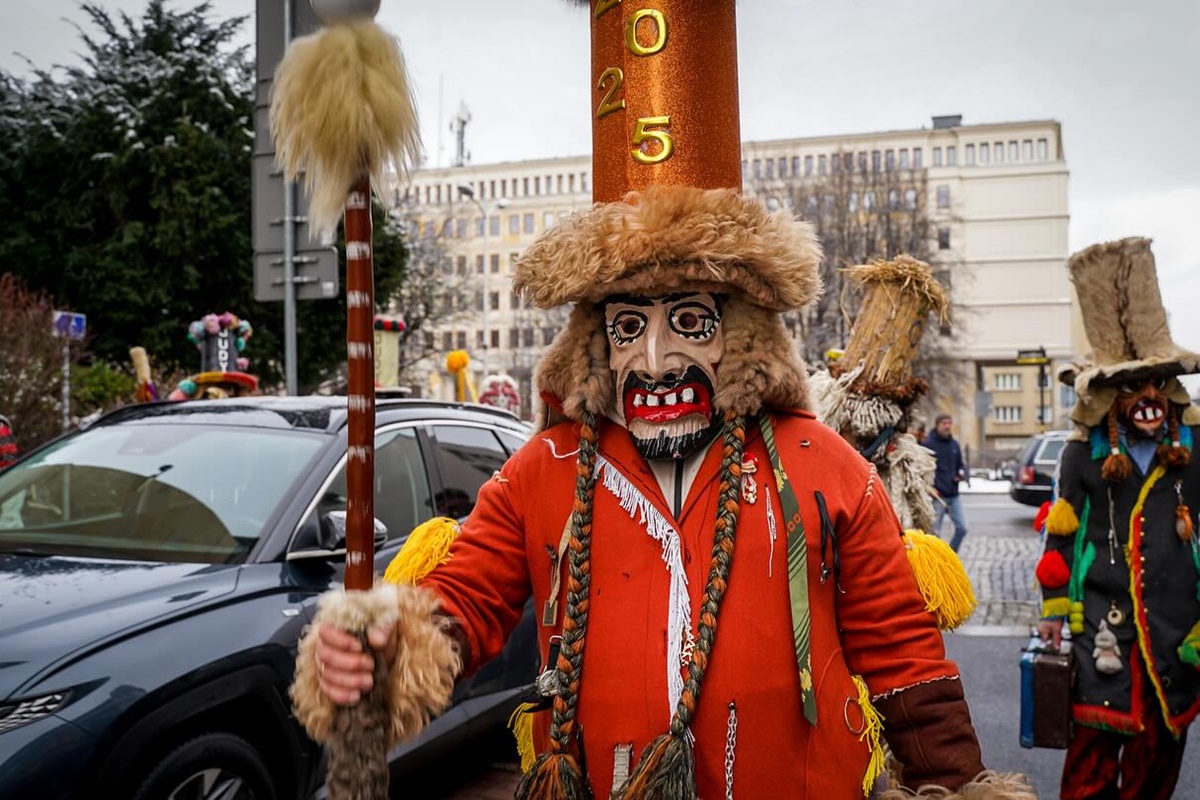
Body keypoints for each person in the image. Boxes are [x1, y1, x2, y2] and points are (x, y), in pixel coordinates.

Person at [291, 3, 1036, 798]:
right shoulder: (542, 472)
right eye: (626, 324)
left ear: (742, 331)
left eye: (689, 321)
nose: (654, 359)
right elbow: (465, 601)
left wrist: (958, 787)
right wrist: (378, 658)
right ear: (595, 341)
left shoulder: (826, 470)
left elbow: (905, 665)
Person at [1035, 238, 1200, 800]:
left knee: (1160, 762)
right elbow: (1059, 537)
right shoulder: (1082, 456)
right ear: (1111, 396)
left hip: (1178, 633)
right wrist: (1054, 617)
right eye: (1132, 386)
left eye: (1157, 384)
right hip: (1101, 631)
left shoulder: (1196, 450)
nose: (1147, 397)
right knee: (1090, 764)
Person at [924, 414, 969, 551]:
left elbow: (960, 465)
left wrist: (960, 474)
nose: (947, 426)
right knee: (934, 533)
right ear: (937, 425)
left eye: (949, 423)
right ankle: (936, 559)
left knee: (962, 528)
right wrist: (929, 487)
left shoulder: (954, 444)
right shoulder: (928, 444)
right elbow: (922, 470)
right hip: (937, 496)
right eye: (944, 423)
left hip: (954, 494)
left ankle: (950, 554)